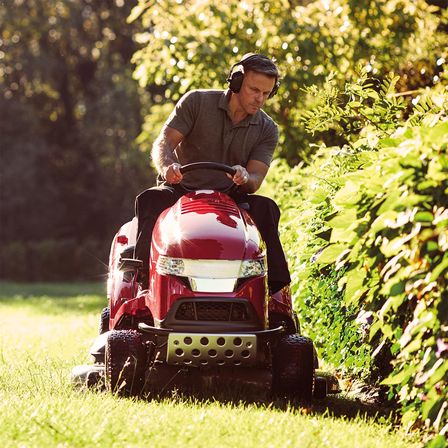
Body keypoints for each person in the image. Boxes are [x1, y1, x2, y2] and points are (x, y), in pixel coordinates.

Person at [134, 53, 291, 293]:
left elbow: (256, 178)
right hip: (181, 192)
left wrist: (246, 177)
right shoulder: (196, 102)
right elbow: (163, 143)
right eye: (254, 90)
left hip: (231, 199)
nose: (260, 99)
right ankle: (143, 282)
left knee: (267, 208)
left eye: (267, 93)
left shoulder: (267, 129)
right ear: (236, 82)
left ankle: (274, 295)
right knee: (150, 199)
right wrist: (167, 166)